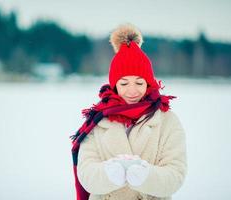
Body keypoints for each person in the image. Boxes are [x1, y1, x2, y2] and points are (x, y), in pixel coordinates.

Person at [70, 24, 187, 200]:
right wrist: (110, 174)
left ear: (148, 83)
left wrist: (146, 176)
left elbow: (176, 174)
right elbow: (86, 173)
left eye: (139, 83)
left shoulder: (167, 121)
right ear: (114, 85)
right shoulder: (97, 121)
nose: (132, 91)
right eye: (124, 83)